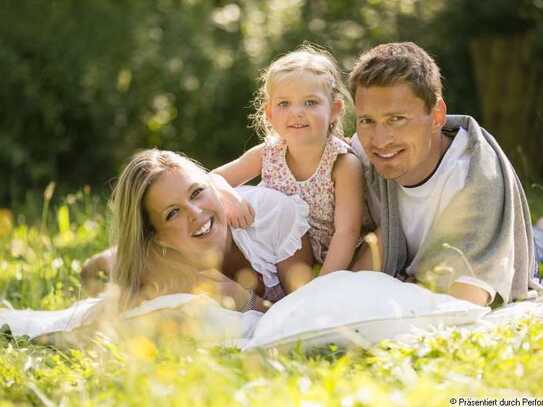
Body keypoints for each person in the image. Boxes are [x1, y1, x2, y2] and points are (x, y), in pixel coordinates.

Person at [348, 42, 542, 306]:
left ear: (437, 115)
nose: (380, 141)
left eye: (396, 119)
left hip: (510, 245)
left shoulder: (473, 178)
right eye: (367, 120)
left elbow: (465, 301)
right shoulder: (356, 158)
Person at [83, 149, 314, 312]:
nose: (195, 212)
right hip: (161, 256)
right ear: (158, 237)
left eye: (196, 192)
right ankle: (107, 258)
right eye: (173, 213)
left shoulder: (272, 216)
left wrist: (246, 302)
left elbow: (301, 316)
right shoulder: (162, 263)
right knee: (114, 268)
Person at [211, 44, 366, 276]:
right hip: (280, 259)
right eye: (284, 104)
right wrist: (229, 196)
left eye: (310, 102)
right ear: (270, 114)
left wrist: (321, 285)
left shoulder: (342, 164)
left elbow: (347, 231)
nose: (297, 112)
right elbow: (211, 178)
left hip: (334, 263)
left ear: (334, 109)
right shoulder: (268, 154)